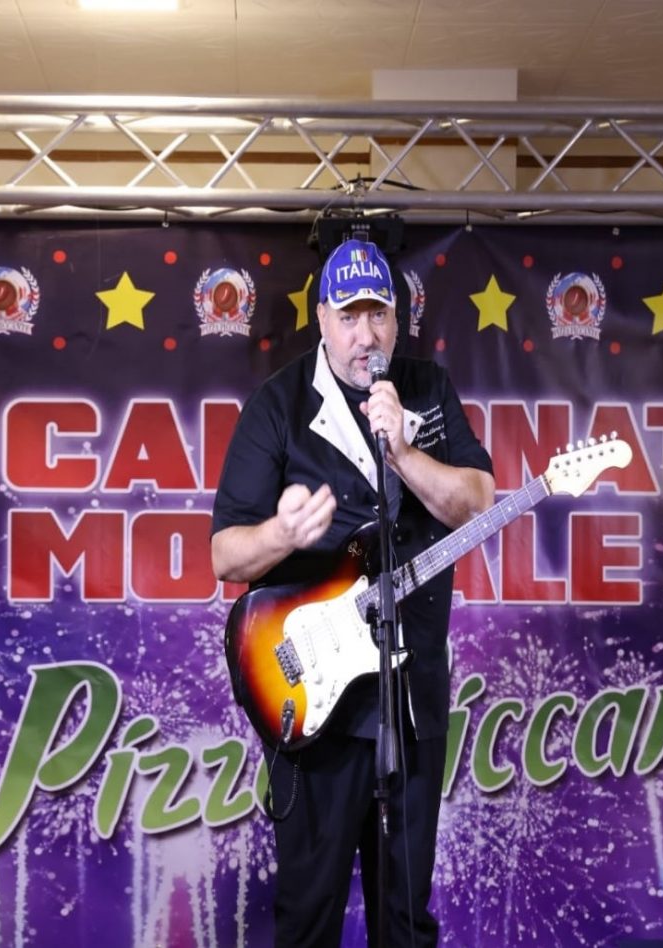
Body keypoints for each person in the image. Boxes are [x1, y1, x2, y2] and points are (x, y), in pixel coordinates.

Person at [210, 237, 496, 947]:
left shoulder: (426, 391)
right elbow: (226, 554)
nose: (365, 335)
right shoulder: (279, 405)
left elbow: (477, 503)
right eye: (349, 316)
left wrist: (403, 451)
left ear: (398, 320)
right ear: (322, 320)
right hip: (315, 704)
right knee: (310, 916)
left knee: (405, 920)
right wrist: (281, 533)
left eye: (378, 315)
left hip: (411, 699)